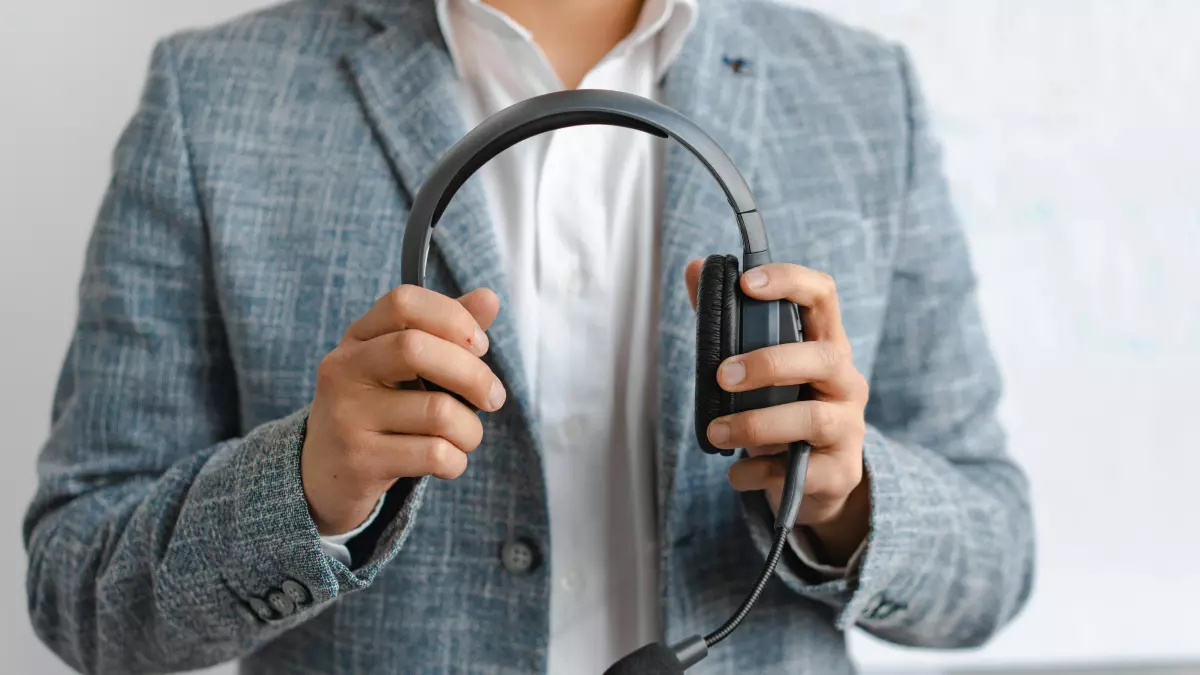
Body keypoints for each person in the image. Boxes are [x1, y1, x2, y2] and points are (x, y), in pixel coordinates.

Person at [22, 0, 1035, 672]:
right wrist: (301, 489)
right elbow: (79, 586)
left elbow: (995, 557)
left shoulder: (862, 93)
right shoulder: (217, 95)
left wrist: (851, 501)